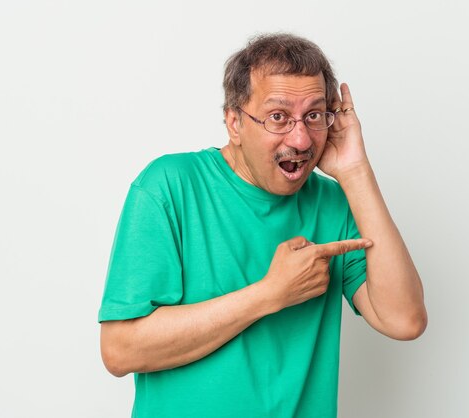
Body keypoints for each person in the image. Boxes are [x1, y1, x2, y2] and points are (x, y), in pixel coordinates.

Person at [99, 33, 427, 418]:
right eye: (278, 117)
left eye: (314, 115)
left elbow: (404, 319)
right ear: (234, 122)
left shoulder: (334, 204)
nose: (302, 138)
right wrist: (270, 294)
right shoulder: (169, 185)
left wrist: (355, 171)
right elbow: (120, 350)